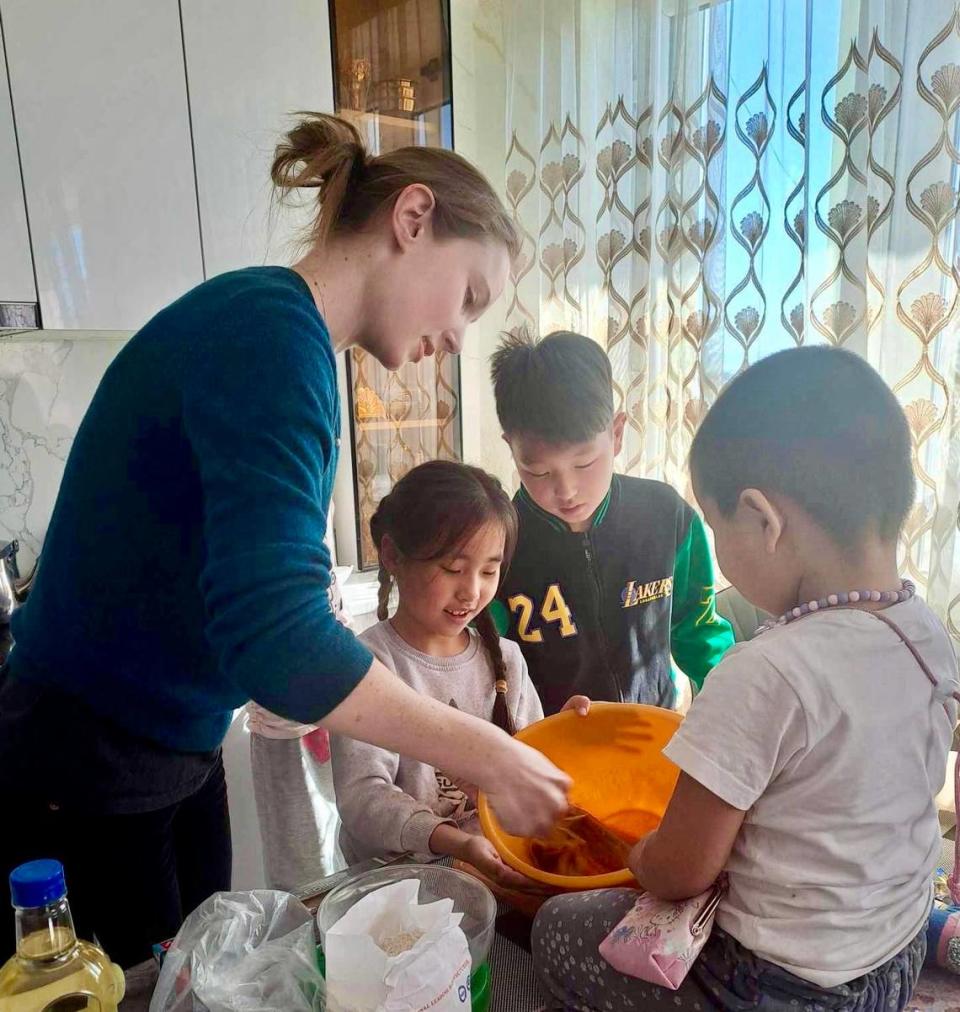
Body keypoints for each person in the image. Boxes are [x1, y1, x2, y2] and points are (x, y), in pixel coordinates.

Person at [0, 113, 570, 968]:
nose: (459, 336)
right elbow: (279, 640)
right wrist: (488, 754)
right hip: (88, 758)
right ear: (412, 221)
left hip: (171, 744)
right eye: (469, 299)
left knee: (200, 973)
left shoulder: (280, 333)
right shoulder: (271, 339)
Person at [532, 346, 959, 1011]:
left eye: (716, 524)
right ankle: (940, 931)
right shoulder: (927, 632)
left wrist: (641, 857)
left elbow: (680, 872)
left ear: (763, 520)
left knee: (557, 929)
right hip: (893, 960)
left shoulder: (762, 672)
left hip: (780, 990)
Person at [331, 460, 588, 889]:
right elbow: (362, 797)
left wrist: (564, 735)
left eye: (489, 571)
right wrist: (452, 841)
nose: (472, 591)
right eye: (453, 568)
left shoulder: (506, 659)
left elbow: (526, 766)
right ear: (393, 556)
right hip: (392, 885)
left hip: (488, 875)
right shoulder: (366, 667)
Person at [489, 330, 733, 714]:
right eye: (537, 472)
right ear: (511, 449)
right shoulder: (497, 542)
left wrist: (733, 710)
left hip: (654, 735)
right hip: (550, 750)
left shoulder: (666, 516)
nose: (566, 491)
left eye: (584, 463)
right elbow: (485, 664)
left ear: (617, 434)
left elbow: (699, 632)